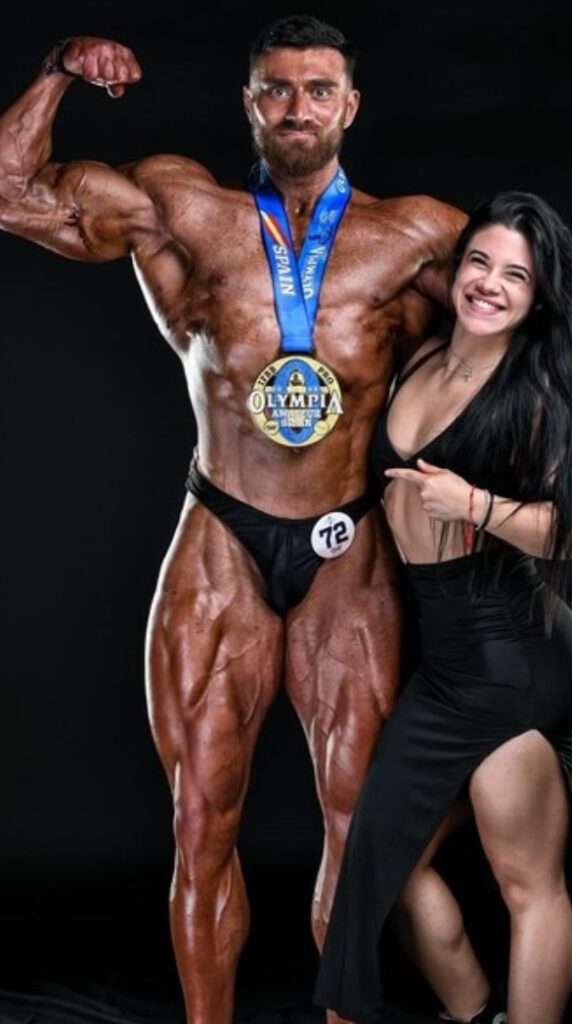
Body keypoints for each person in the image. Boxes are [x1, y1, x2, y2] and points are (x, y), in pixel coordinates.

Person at [0, 16, 466, 1024]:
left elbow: (534, 327)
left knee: (358, 825)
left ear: (349, 106)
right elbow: (8, 192)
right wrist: (58, 71)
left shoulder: (417, 236)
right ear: (248, 104)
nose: (297, 108)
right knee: (199, 824)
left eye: (317, 89)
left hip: (348, 549)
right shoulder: (183, 209)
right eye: (276, 89)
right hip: (220, 536)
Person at [315, 192, 572, 1024]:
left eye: (515, 275)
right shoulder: (424, 353)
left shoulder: (534, 391)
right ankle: (476, 1015)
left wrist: (475, 504)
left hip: (514, 666)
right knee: (380, 869)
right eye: (480, 262)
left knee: (526, 883)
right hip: (447, 665)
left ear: (538, 296)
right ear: (456, 269)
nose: (490, 284)